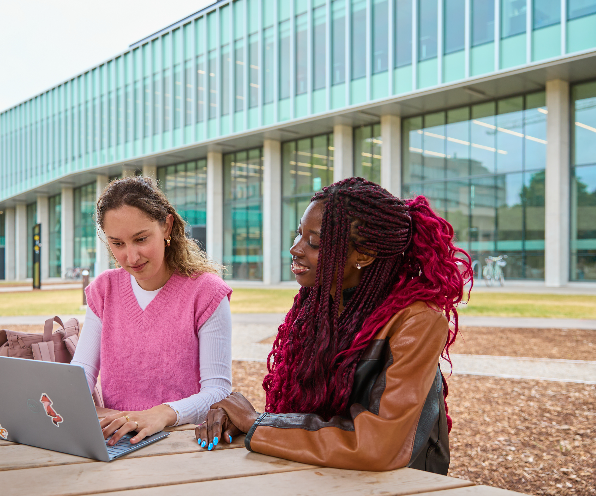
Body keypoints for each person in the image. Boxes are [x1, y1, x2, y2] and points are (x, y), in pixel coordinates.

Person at [195, 177, 471, 474]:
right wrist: (241, 423)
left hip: (399, 484)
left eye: (314, 242)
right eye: (298, 234)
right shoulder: (315, 305)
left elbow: (376, 445)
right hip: (320, 475)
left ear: (363, 255)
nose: (295, 249)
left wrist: (256, 423)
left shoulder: (417, 321)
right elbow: (301, 418)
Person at [71, 176, 232, 447]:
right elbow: (83, 370)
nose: (131, 257)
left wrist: (162, 414)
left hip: (181, 443)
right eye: (117, 244)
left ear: (167, 226)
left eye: (141, 239)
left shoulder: (206, 293)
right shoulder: (104, 289)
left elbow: (218, 391)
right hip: (118, 440)